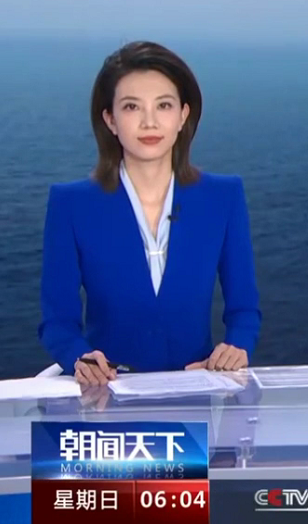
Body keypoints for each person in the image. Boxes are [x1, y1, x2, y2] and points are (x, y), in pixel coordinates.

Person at [38, 41, 262, 385]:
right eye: (132, 107)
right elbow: (57, 323)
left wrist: (237, 347)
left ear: (183, 116)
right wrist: (79, 357)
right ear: (110, 119)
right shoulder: (71, 204)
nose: (149, 121)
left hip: (197, 390)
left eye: (164, 105)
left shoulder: (223, 197)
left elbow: (244, 309)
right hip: (109, 395)